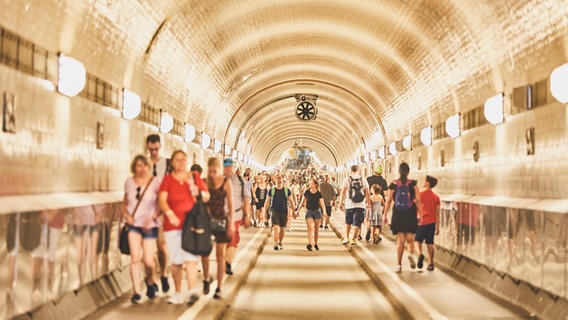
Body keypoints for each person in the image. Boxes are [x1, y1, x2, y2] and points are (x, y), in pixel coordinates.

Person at [159, 150, 210, 305]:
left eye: (183, 159)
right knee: (176, 261)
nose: (180, 162)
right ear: (172, 162)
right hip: (172, 226)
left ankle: (191, 291)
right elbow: (162, 199)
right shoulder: (167, 180)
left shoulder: (194, 178)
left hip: (191, 225)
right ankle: (178, 292)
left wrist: (198, 192)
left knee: (191, 260)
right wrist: (169, 214)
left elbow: (207, 196)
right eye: (177, 159)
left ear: (186, 161)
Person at [122, 155, 162, 303]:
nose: (142, 169)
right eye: (139, 166)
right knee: (135, 258)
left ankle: (150, 281)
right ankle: (136, 292)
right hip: (134, 225)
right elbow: (124, 203)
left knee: (148, 261)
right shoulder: (129, 183)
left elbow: (161, 203)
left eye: (144, 165)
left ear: (148, 167)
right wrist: (127, 216)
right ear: (134, 167)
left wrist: (154, 216)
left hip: (150, 226)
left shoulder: (155, 182)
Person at [203, 157, 235, 299]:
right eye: (210, 171)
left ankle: (219, 286)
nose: (212, 174)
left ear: (218, 169)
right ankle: (205, 278)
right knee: (204, 252)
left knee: (220, 255)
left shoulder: (226, 183)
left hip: (221, 220)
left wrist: (231, 223)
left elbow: (231, 205)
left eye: (214, 171)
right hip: (206, 221)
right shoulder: (204, 182)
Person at [384, 162, 422, 272]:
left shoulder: (394, 184)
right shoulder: (413, 184)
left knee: (400, 241)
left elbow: (389, 200)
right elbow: (418, 200)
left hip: (398, 214)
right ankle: (410, 254)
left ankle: (399, 265)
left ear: (399, 171)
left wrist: (385, 213)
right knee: (410, 238)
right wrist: (421, 215)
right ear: (408, 171)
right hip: (410, 213)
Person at [146, 134, 170, 293]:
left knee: (161, 245)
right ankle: (151, 280)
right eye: (151, 149)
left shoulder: (167, 164)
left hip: (162, 210)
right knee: (147, 249)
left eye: (156, 149)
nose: (154, 152)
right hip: (146, 211)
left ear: (159, 147)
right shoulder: (143, 164)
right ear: (147, 147)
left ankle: (163, 274)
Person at [223, 158, 252, 276]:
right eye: (226, 167)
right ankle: (225, 260)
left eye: (230, 166)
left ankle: (228, 262)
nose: (228, 169)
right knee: (225, 240)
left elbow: (246, 198)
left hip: (236, 214)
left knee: (233, 239)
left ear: (233, 167)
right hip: (223, 215)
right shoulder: (220, 180)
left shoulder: (240, 181)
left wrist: (248, 215)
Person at [338, 165, 371, 245]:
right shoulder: (363, 179)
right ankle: (353, 238)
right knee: (357, 222)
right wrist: (369, 204)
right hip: (360, 205)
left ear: (351, 170)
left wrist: (340, 203)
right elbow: (367, 193)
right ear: (358, 170)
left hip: (349, 204)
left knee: (348, 222)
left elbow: (343, 191)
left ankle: (346, 237)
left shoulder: (347, 179)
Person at [264, 173, 296, 250]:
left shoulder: (286, 190)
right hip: (274, 211)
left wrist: (294, 211)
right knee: (276, 227)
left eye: (280, 178)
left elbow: (291, 201)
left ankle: (280, 242)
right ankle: (275, 243)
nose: (279, 180)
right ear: (275, 179)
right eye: (277, 178)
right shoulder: (272, 190)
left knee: (282, 229)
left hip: (284, 211)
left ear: (282, 180)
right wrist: (265, 212)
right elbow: (267, 201)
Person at [415, 175, 440, 271]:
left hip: (421, 222)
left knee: (418, 240)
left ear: (428, 183)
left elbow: (416, 207)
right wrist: (438, 227)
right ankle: (430, 263)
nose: (423, 182)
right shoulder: (436, 197)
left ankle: (420, 254)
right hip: (431, 223)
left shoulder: (420, 194)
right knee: (430, 243)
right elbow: (437, 213)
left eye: (425, 181)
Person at [295, 178, 326, 251]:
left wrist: (324, 211)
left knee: (316, 229)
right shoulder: (307, 192)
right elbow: (302, 202)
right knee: (310, 228)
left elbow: (322, 204)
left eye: (311, 183)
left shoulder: (319, 194)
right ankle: (310, 243)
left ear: (315, 185)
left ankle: (315, 243)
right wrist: (297, 211)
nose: (310, 184)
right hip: (309, 211)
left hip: (317, 212)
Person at [365, 166, 388, 240]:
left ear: (374, 171)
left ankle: (370, 228)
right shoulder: (383, 181)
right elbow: (386, 193)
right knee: (378, 220)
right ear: (381, 173)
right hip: (380, 203)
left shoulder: (368, 179)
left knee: (369, 218)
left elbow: (365, 190)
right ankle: (377, 234)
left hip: (370, 201)